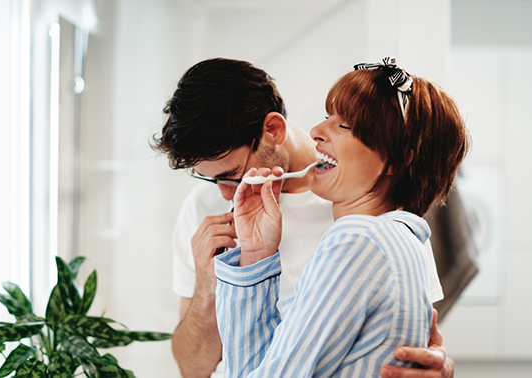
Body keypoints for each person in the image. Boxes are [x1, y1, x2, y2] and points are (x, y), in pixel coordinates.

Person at [153, 57, 454, 378]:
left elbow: (409, 335)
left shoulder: (368, 216)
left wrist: (442, 367)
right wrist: (212, 280)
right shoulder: (204, 206)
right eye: (211, 180)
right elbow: (193, 369)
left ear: (273, 129)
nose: (226, 194)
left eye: (233, 175)